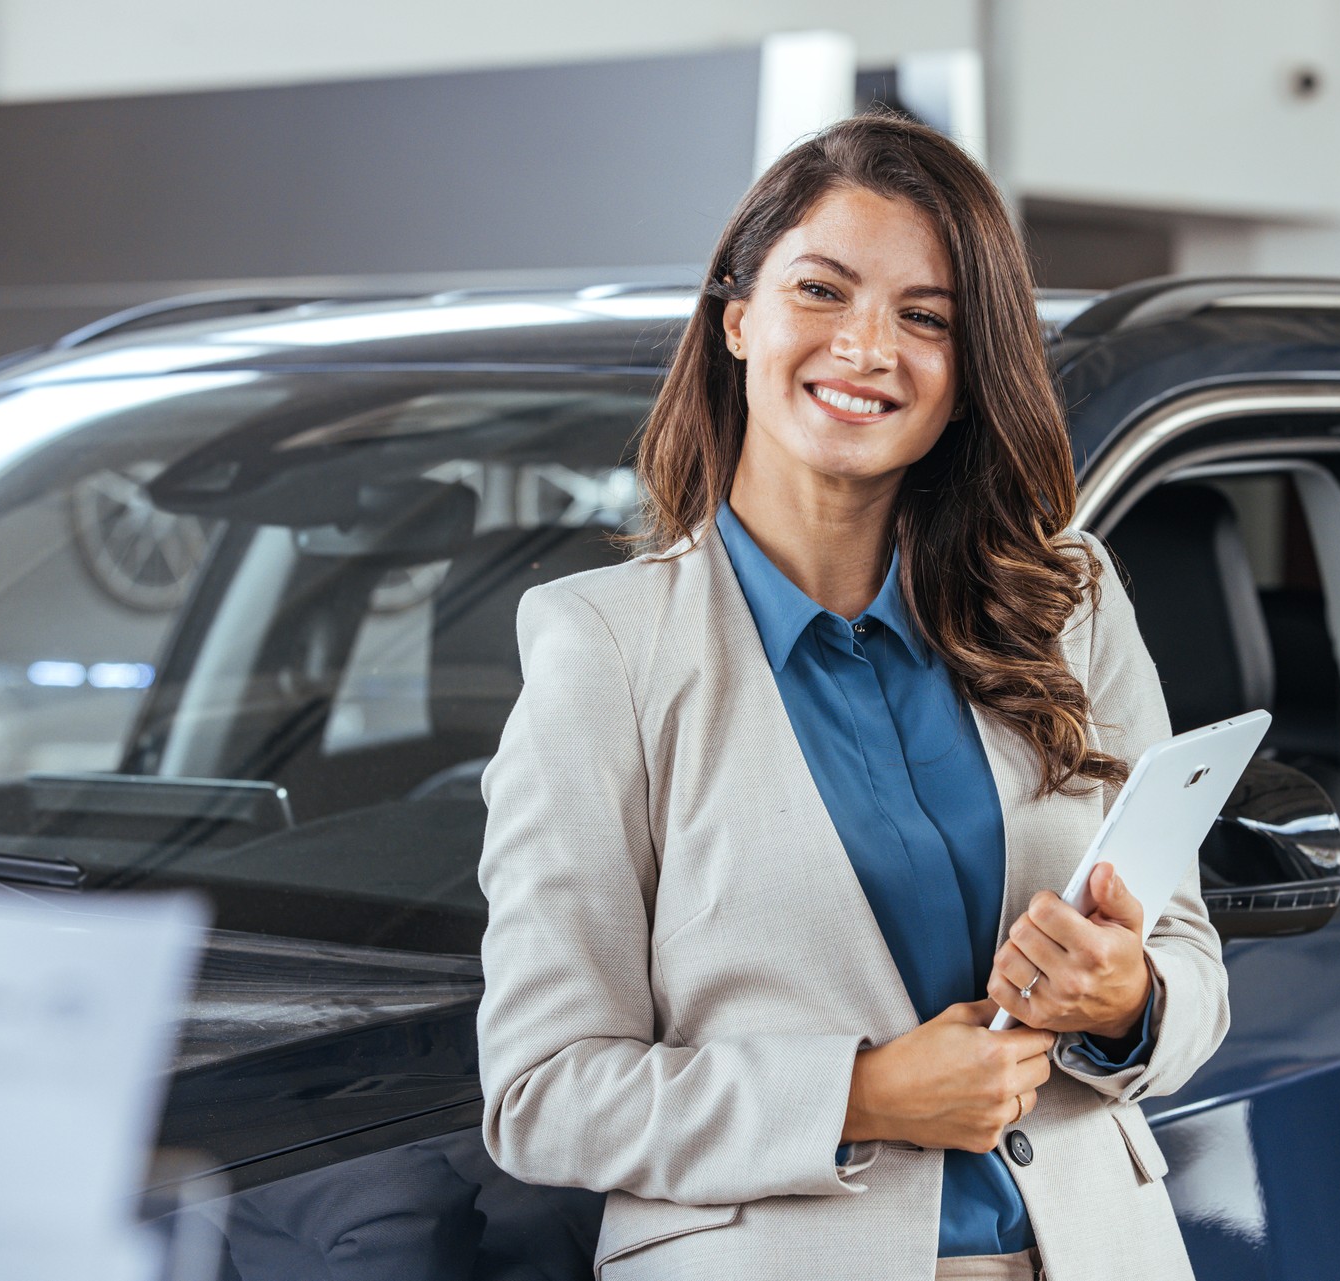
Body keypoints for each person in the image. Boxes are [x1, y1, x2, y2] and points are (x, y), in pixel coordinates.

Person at [476, 111, 1230, 1281]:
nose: (867, 348)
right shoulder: (605, 650)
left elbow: (1187, 962)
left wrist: (1127, 995)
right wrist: (863, 1096)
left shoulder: (1066, 604)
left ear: (967, 372)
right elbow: (542, 1095)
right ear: (737, 318)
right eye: (821, 292)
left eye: (925, 317)